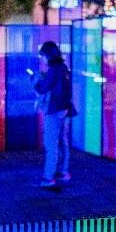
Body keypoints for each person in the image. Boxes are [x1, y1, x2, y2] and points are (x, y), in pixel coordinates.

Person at [30, 41, 76, 188]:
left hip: (55, 110)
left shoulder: (53, 70)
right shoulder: (63, 68)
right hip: (65, 110)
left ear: (48, 55)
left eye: (43, 56)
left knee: (51, 144)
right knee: (62, 142)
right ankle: (63, 172)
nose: (42, 59)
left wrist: (35, 81)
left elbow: (43, 88)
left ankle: (48, 178)